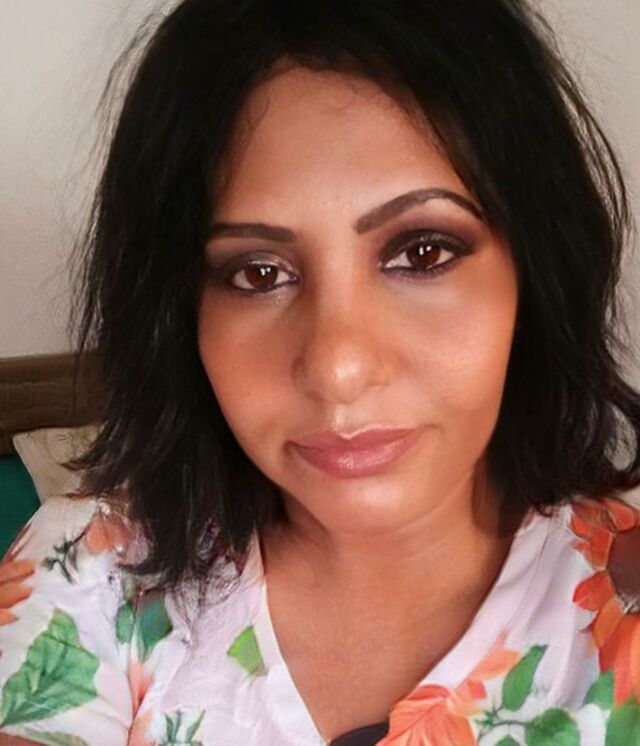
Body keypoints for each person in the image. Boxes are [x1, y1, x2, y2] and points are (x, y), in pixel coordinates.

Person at [1, 0, 640, 743]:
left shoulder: (621, 601)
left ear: (533, 276)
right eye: (258, 273)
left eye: (422, 253)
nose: (338, 369)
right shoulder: (90, 572)